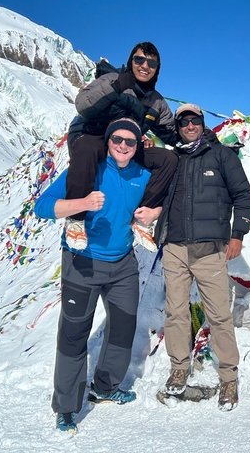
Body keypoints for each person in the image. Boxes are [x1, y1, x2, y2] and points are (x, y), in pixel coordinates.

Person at [35, 118, 162, 433]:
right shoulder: (88, 170)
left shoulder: (142, 175)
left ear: (138, 146)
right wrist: (83, 203)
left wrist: (155, 213)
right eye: (117, 139)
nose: (122, 145)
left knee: (122, 327)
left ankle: (105, 386)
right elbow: (42, 206)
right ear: (108, 141)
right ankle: (66, 407)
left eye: (130, 141)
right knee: (74, 334)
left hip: (122, 264)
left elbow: (166, 200)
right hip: (82, 262)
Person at [154, 104, 250, 411]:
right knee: (175, 313)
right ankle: (179, 367)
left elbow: (243, 196)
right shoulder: (173, 158)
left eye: (194, 120)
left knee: (219, 315)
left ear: (202, 123)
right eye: (184, 121)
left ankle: (229, 379)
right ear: (179, 126)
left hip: (209, 250)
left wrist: (238, 235)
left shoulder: (222, 155)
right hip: (175, 248)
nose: (190, 126)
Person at [65, 41, 178, 252]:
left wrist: (197, 132)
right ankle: (76, 218)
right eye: (139, 60)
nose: (145, 66)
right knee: (87, 150)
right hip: (95, 133)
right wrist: (116, 87)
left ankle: (142, 218)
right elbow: (83, 105)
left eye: (151, 63)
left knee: (167, 159)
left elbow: (171, 134)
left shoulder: (157, 102)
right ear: (131, 61)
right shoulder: (112, 79)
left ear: (157, 69)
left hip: (127, 144)